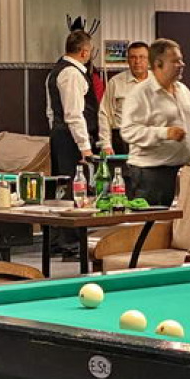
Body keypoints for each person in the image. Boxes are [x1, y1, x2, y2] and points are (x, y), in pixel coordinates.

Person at [120, 39, 190, 206]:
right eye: (176, 61)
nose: (182, 64)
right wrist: (164, 133)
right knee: (152, 222)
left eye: (181, 60)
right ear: (158, 64)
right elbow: (128, 131)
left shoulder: (183, 90)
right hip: (150, 175)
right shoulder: (140, 94)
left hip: (183, 171)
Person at [46, 29, 98, 258]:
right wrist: (85, 147)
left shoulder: (55, 71)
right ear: (84, 52)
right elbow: (74, 115)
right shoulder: (72, 74)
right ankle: (70, 243)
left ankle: (59, 240)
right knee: (75, 189)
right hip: (71, 139)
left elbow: (50, 111)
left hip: (60, 136)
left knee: (65, 187)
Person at [98, 41, 150, 155]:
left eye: (142, 57)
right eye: (133, 57)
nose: (137, 61)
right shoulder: (115, 82)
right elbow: (104, 114)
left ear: (149, 60)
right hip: (122, 141)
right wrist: (105, 144)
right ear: (128, 60)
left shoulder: (158, 82)